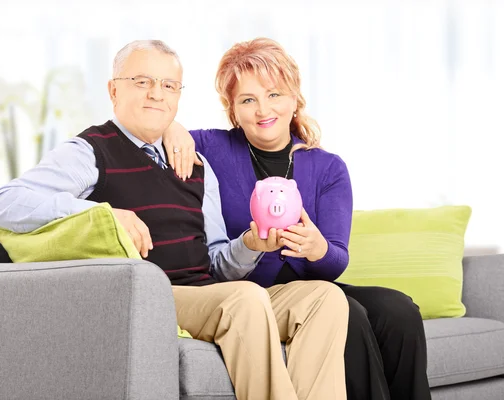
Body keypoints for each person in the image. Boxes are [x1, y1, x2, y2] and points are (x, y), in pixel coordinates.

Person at [0, 40, 349, 400]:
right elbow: (4, 203)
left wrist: (250, 246)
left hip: (206, 294)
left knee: (322, 298)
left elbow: (218, 266)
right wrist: (104, 214)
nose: (156, 94)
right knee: (246, 299)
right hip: (149, 295)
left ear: (178, 97)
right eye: (142, 82)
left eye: (169, 85)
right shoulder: (89, 151)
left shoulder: (195, 164)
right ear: (114, 90)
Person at [163, 37, 432, 400]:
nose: (262, 110)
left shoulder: (328, 168)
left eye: (274, 95)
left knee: (399, 310)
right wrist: (174, 128)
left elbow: (335, 262)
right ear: (233, 111)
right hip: (252, 293)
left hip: (312, 285)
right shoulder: (213, 147)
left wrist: (318, 248)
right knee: (349, 314)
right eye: (247, 100)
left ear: (294, 99)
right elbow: (152, 128)